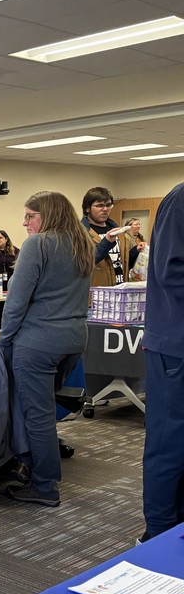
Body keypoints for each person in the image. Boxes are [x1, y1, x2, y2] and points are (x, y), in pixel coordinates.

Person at [0, 191, 93, 507]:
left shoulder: (38, 245)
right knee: (43, 412)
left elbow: (16, 301)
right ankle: (31, 466)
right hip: (73, 339)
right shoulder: (82, 243)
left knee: (36, 415)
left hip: (38, 342)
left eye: (30, 216)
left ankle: (44, 486)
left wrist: (4, 339)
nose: (24, 222)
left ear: (48, 215)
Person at [140, 181, 184, 543]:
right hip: (175, 349)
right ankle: (157, 536)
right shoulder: (181, 199)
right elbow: (172, 271)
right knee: (169, 445)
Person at [81, 187, 137, 286]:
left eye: (108, 205)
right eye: (99, 206)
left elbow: (124, 261)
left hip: (119, 291)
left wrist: (137, 251)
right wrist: (106, 242)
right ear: (87, 208)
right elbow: (85, 262)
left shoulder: (119, 232)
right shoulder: (80, 233)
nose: (105, 209)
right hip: (96, 294)